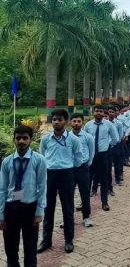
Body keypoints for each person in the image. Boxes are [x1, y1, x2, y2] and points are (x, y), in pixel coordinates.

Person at [0, 125, 47, 266]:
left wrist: (39, 212)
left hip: (30, 209)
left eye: (25, 138)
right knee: (11, 249)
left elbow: (42, 187)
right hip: (11, 210)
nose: (21, 141)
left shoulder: (39, 160)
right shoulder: (7, 161)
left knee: (30, 250)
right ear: (14, 140)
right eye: (18, 138)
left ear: (31, 140)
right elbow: (2, 189)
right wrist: (1, 215)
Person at [38, 109, 83, 254]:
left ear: (66, 121)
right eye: (54, 119)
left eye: (59, 119)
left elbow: (78, 158)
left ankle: (69, 241)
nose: (56, 122)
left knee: (68, 209)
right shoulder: (45, 138)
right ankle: (46, 240)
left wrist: (68, 168)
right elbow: (42, 155)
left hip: (66, 175)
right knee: (48, 208)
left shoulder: (73, 140)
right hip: (50, 175)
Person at [84, 105, 119, 211]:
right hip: (91, 155)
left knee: (104, 179)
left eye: (100, 111)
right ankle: (84, 203)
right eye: (96, 111)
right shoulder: (88, 125)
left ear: (103, 113)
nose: (98, 113)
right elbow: (84, 139)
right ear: (93, 112)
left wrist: (108, 146)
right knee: (87, 180)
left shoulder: (108, 124)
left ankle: (104, 202)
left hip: (103, 155)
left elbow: (115, 138)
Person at [70, 113, 95, 228]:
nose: (76, 123)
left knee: (84, 193)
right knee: (68, 194)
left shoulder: (88, 137)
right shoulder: (67, 137)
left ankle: (86, 217)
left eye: (79, 121)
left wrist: (87, 164)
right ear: (70, 122)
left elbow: (91, 152)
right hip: (69, 169)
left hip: (83, 168)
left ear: (82, 123)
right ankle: (68, 218)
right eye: (74, 121)